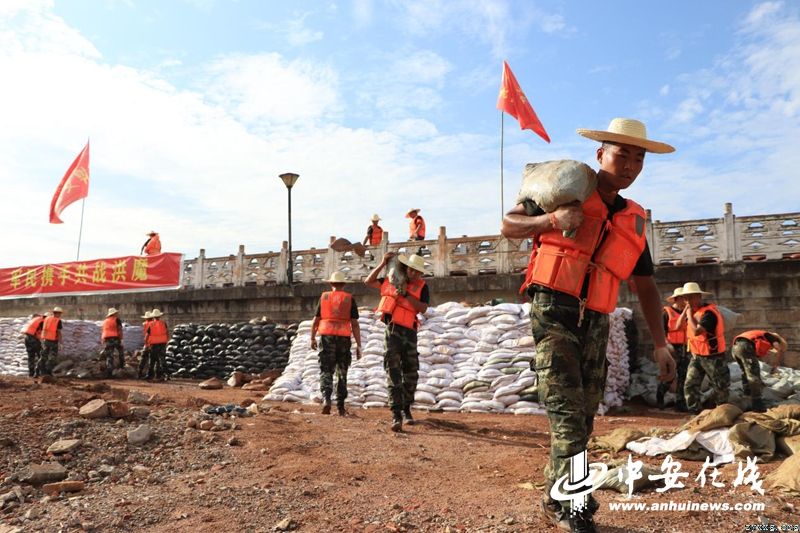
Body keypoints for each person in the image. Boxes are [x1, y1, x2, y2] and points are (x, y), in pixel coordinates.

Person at [501, 117, 676, 532]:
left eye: (639, 158)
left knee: (584, 415)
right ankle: (570, 504)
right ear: (600, 155)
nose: (630, 165)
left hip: (597, 319)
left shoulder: (633, 218)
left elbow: (646, 287)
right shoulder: (568, 188)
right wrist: (550, 221)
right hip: (554, 309)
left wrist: (661, 343)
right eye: (621, 154)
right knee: (565, 411)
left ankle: (555, 495)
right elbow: (509, 226)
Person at [365, 252, 430, 432]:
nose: (414, 273)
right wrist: (382, 263)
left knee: (411, 374)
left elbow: (423, 308)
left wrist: (406, 296)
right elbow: (368, 281)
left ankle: (407, 409)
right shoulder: (392, 280)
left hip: (410, 333)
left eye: (418, 271)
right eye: (412, 269)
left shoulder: (422, 287)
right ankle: (396, 415)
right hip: (392, 332)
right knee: (393, 373)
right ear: (406, 268)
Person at [310, 271, 362, 415]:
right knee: (342, 371)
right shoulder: (349, 299)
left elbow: (316, 320)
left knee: (326, 370)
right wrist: (359, 345)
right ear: (344, 284)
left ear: (331, 284)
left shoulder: (324, 297)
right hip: (343, 338)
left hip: (326, 337)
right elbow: (355, 323)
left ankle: (326, 399)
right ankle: (340, 406)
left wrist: (312, 338)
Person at [682, 281, 729, 414]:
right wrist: (687, 314)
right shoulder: (693, 312)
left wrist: (689, 316)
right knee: (690, 384)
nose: (687, 301)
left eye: (690, 297)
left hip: (713, 356)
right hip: (697, 355)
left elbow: (698, 331)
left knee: (720, 386)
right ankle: (694, 412)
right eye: (685, 298)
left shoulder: (709, 314)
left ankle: (722, 413)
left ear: (699, 296)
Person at [731, 330, 787, 412]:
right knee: (753, 375)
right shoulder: (771, 337)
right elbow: (777, 346)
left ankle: (747, 393)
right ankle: (757, 403)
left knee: (746, 372)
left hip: (735, 349)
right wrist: (778, 355)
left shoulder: (758, 335)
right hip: (745, 347)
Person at [657, 287, 689, 411]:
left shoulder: (686, 313)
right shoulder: (666, 312)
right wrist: (666, 347)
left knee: (683, 375)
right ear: (677, 299)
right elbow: (661, 332)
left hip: (684, 347)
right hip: (671, 348)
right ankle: (660, 396)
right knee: (670, 376)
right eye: (684, 298)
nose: (686, 301)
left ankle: (680, 403)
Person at [38, 307, 64, 377]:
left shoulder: (47, 319)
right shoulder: (57, 320)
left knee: (43, 356)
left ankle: (41, 371)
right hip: (53, 341)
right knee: (52, 357)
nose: (60, 315)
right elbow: (58, 332)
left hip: (45, 340)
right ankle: (48, 372)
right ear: (58, 313)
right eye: (60, 313)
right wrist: (61, 342)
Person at [145, 309, 170, 380]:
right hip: (162, 344)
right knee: (162, 360)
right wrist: (167, 340)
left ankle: (150, 375)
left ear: (153, 317)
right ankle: (166, 375)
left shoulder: (150, 324)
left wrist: (146, 344)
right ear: (159, 316)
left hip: (154, 345)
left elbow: (147, 335)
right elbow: (167, 332)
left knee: (152, 360)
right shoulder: (163, 323)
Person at [101, 307, 125, 378]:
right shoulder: (117, 320)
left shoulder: (105, 321)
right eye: (116, 313)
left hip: (107, 339)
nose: (117, 314)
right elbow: (120, 330)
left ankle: (109, 373)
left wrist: (103, 340)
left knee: (109, 356)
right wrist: (121, 339)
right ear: (114, 314)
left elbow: (103, 331)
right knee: (121, 351)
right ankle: (122, 366)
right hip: (115, 338)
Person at [21, 313, 45, 377]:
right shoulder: (42, 321)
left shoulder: (34, 320)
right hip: (33, 339)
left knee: (31, 356)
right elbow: (42, 332)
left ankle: (31, 373)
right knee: (41, 355)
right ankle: (39, 373)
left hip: (27, 339)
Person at [138, 311, 152, 379]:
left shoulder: (145, 324)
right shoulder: (153, 324)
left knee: (143, 359)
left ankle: (139, 373)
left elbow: (145, 335)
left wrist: (145, 343)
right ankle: (150, 374)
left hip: (147, 343)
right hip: (153, 344)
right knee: (151, 359)